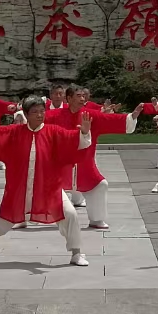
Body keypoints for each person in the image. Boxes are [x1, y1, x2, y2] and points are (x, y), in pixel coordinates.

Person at [0, 98, 95, 266]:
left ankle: (76, 253)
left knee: (70, 214)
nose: (40, 115)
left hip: (49, 188)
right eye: (35, 112)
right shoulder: (15, 132)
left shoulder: (54, 132)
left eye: (42, 111)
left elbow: (72, 139)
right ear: (26, 114)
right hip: (19, 188)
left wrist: (83, 133)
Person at [44, 86, 139, 229]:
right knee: (36, 184)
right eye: (78, 96)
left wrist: (131, 118)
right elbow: (36, 123)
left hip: (85, 165)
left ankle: (96, 219)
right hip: (59, 166)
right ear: (69, 98)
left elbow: (110, 120)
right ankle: (22, 216)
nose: (83, 99)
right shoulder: (54, 115)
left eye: (84, 96)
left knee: (100, 185)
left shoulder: (91, 115)